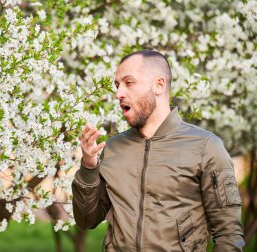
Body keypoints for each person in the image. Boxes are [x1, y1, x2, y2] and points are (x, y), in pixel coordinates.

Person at [72, 50, 245, 252]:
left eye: (129, 83)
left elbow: (229, 235)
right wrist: (89, 168)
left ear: (159, 85)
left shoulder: (206, 147)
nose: (118, 93)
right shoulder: (113, 148)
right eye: (117, 85)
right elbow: (86, 220)